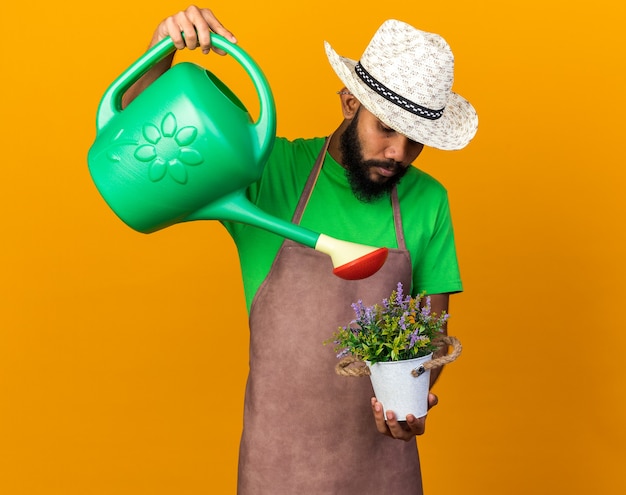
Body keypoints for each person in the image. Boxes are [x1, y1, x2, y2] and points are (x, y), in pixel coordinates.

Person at [122, 5, 478, 494]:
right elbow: (139, 141)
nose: (399, 153)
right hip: (278, 468)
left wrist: (414, 397)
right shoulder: (271, 172)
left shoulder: (429, 201)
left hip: (383, 469)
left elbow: (433, 335)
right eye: (386, 129)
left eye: (415, 140)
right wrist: (162, 49)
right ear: (349, 103)